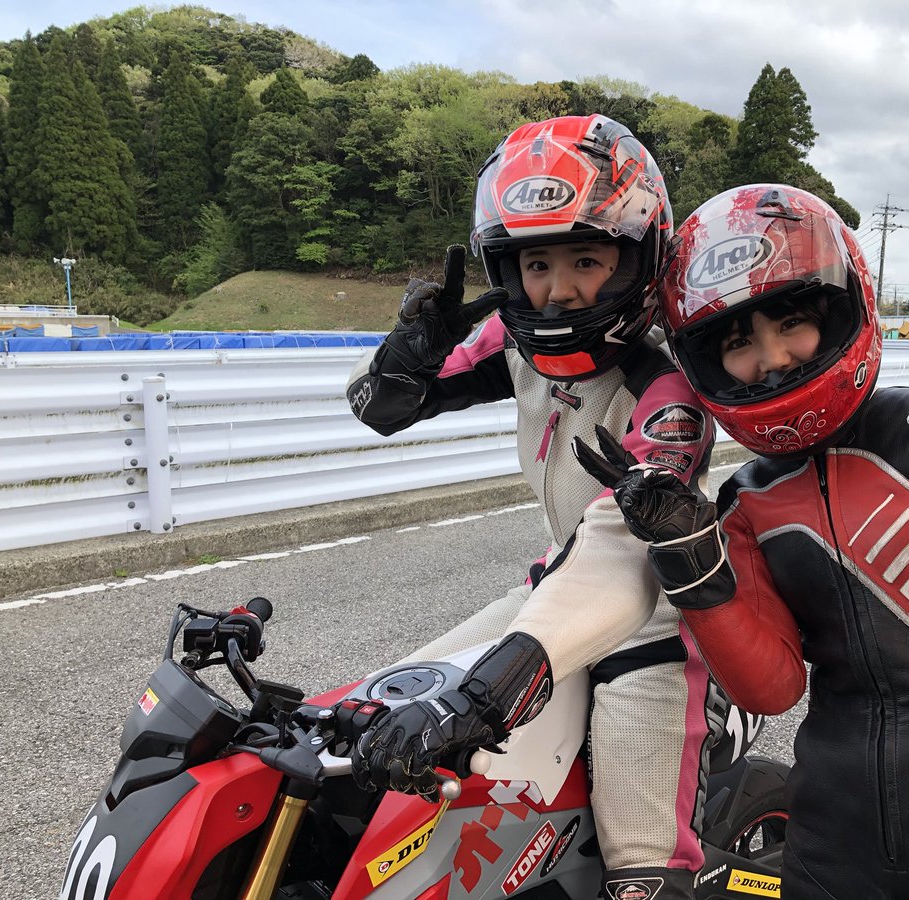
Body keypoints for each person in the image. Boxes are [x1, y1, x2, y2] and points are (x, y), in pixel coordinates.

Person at [574, 183, 909, 899]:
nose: (771, 358)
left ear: (841, 309)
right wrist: (687, 560)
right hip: (835, 834)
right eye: (737, 342)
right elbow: (772, 688)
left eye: (790, 322)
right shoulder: (745, 501)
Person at [345, 114, 718, 900]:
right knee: (368, 724)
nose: (558, 288)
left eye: (586, 259)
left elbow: (625, 554)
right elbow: (382, 409)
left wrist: (486, 697)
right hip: (551, 594)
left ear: (638, 257)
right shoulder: (520, 350)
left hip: (654, 625)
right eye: (536, 264)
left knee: (643, 877)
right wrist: (407, 353)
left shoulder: (667, 390)